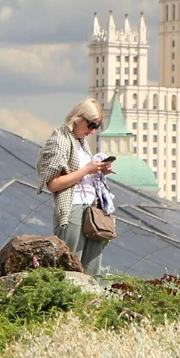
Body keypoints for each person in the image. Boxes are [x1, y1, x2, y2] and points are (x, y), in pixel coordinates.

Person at [37, 99, 115, 275]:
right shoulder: (60, 140)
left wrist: (99, 171)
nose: (92, 131)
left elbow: (82, 175)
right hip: (72, 208)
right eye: (91, 124)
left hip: (91, 209)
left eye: (97, 127)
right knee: (70, 268)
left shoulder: (82, 143)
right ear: (79, 118)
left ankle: (92, 302)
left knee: (93, 269)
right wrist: (88, 169)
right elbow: (53, 184)